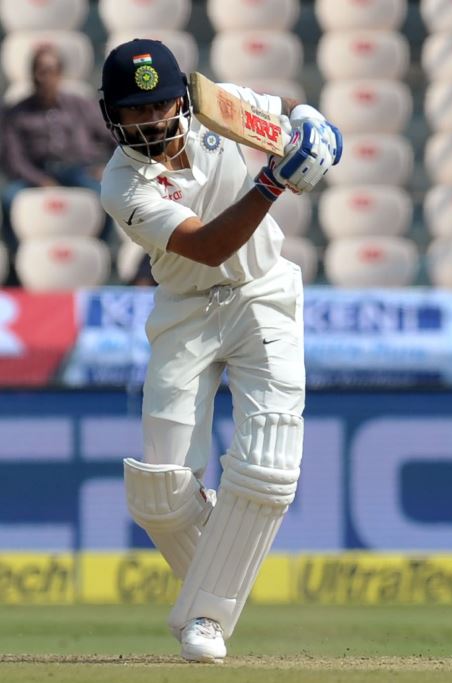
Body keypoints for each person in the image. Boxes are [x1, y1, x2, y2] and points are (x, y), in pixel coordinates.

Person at [98, 39, 341, 663]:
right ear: (112, 115)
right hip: (186, 311)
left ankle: (206, 618)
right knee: (158, 492)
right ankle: (225, 564)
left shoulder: (220, 109)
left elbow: (284, 115)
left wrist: (309, 123)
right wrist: (271, 182)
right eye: (133, 111)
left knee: (269, 467)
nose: (148, 120)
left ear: (180, 98)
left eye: (156, 105)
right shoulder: (122, 183)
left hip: (264, 292)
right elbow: (205, 247)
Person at [1, 45, 114, 266]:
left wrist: (108, 167)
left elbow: (112, 138)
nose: (45, 77)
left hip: (78, 170)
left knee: (107, 195)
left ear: (60, 73)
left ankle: (101, 256)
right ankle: (18, 262)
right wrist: (40, 179)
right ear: (32, 74)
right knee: (8, 198)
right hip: (37, 173)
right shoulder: (17, 112)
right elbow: (13, 158)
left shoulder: (79, 105)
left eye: (50, 70)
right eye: (40, 70)